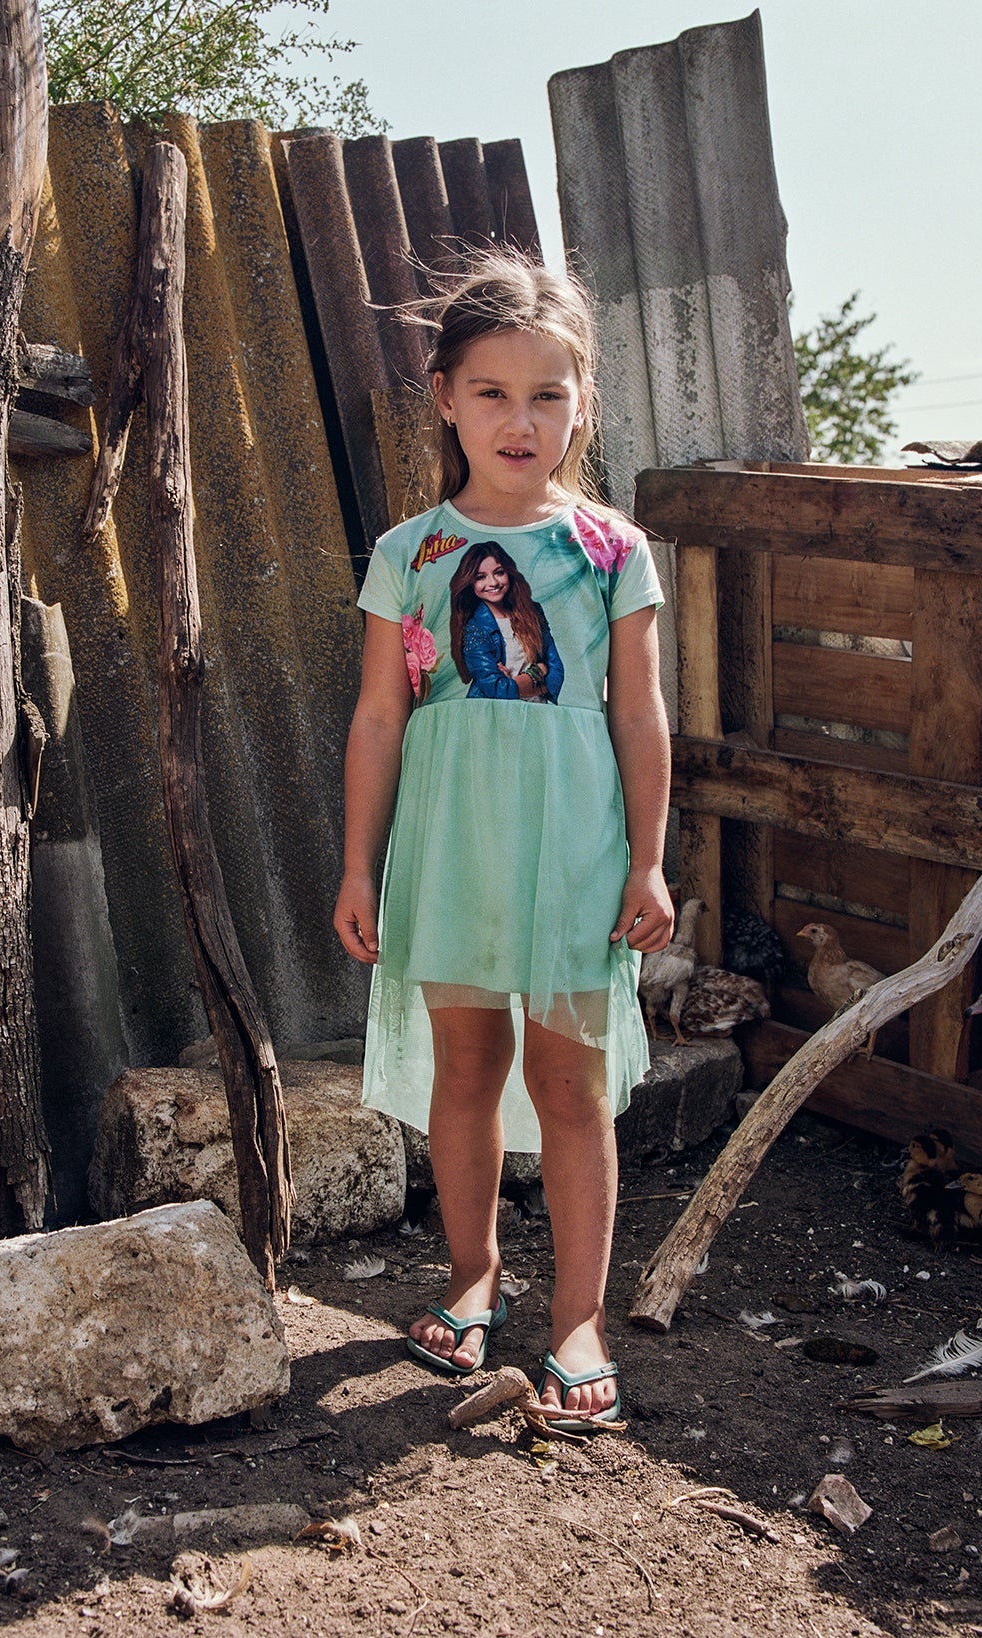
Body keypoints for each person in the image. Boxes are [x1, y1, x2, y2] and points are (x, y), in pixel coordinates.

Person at [334, 249, 672, 1433]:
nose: (520, 421)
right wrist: (355, 865)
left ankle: (576, 1317)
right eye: (492, 393)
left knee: (569, 1084)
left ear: (582, 402)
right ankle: (470, 1277)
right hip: (451, 843)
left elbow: (636, 710)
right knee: (466, 1072)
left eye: (546, 394)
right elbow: (380, 715)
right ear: (443, 397)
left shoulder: (611, 552)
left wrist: (644, 859)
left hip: (574, 844)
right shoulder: (410, 554)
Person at [450, 542, 563, 703]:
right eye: (481, 577)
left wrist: (514, 683)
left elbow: (555, 669)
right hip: (491, 715)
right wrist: (538, 674)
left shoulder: (533, 612)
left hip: (537, 711)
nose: (493, 582)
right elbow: (496, 689)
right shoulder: (474, 627)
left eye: (499, 573)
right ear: (470, 583)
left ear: (509, 573)